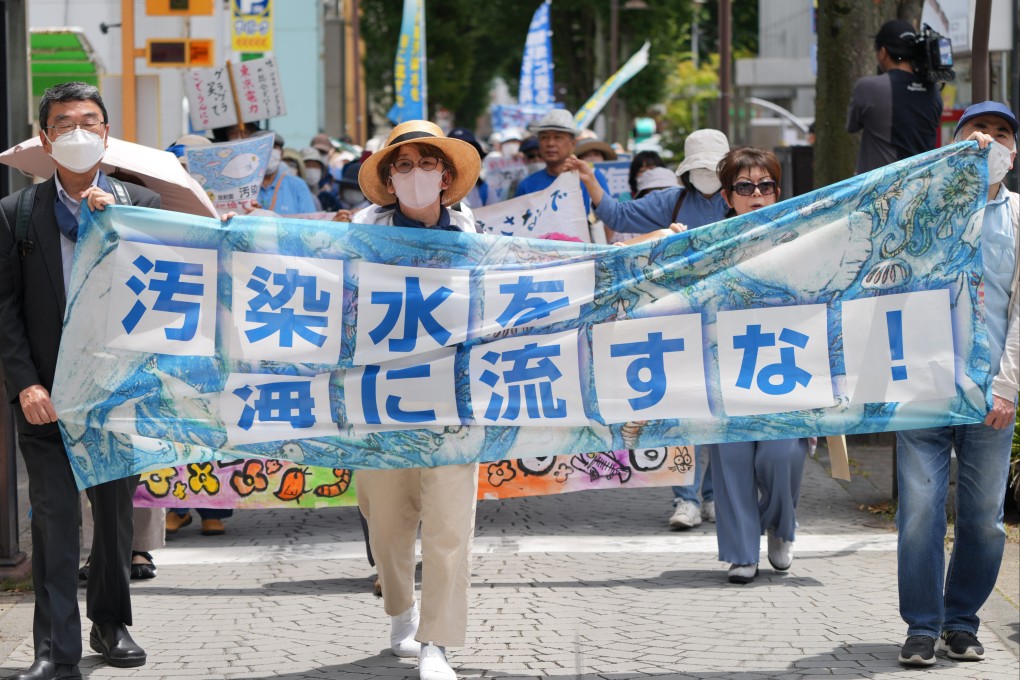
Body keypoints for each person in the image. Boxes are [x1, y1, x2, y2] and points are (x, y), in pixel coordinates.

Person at [0, 81, 153, 680]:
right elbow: (5, 309)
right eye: (64, 123)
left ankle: (110, 624)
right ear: (45, 138)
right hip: (47, 397)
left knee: (114, 517)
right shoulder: (16, 214)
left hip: (116, 392)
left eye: (90, 121)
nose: (78, 132)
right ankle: (53, 648)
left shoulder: (139, 205)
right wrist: (24, 384)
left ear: (108, 132)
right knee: (55, 515)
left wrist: (119, 226)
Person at [352, 120, 482, 680]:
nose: (416, 174)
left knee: (451, 526)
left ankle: (437, 643)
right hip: (379, 401)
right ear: (387, 178)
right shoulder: (360, 239)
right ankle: (401, 611)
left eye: (427, 163)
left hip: (455, 403)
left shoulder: (477, 241)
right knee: (386, 520)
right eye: (402, 166)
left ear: (447, 175)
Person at [894, 101, 1018, 667]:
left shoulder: (1018, 217)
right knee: (919, 510)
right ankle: (922, 626)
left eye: (1000, 134)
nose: (988, 142)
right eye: (977, 131)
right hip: (921, 386)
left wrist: (1009, 384)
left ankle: (961, 621)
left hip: (991, 392)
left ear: (1012, 155)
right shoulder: (915, 207)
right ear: (952, 143)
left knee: (985, 519)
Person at [708, 147, 810, 584]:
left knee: (783, 453)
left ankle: (780, 528)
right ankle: (741, 551)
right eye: (745, 187)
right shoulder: (705, 246)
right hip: (723, 372)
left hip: (785, 369)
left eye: (765, 186)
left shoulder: (802, 238)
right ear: (728, 196)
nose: (757, 195)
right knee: (730, 459)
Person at [567, 129, 730, 236]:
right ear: (688, 171)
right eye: (699, 167)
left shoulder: (745, 195)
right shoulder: (669, 201)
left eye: (712, 168)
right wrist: (590, 179)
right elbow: (617, 216)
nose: (706, 173)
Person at [846, 19, 943, 174]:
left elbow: (851, 125)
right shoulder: (933, 90)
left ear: (883, 52)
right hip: (921, 188)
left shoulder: (868, 87)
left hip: (881, 192)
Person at [515, 108, 610, 214]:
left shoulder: (591, 177)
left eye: (558, 137)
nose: (550, 143)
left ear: (572, 144)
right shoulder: (527, 185)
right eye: (544, 138)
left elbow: (608, 219)